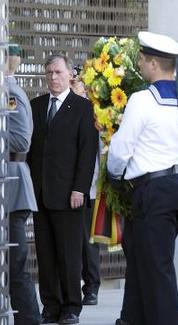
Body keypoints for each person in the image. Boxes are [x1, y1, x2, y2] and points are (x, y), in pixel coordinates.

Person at [108, 31, 178, 325]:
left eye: (142, 58)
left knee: (156, 265)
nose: (139, 62)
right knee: (142, 259)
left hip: (153, 189)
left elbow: (121, 150)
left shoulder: (143, 100)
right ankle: (131, 318)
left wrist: (113, 175)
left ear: (152, 64)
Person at [28, 53, 98, 324]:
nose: (53, 78)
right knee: (46, 255)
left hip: (69, 195)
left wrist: (80, 188)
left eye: (58, 72)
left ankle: (71, 307)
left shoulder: (83, 107)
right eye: (49, 73)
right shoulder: (37, 106)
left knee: (69, 254)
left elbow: (86, 152)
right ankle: (51, 306)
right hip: (41, 193)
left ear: (71, 75)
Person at [6, 43, 41, 325]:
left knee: (15, 264)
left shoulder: (10, 93)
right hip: (4, 187)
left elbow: (20, 141)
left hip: (13, 186)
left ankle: (30, 320)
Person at [70, 72, 102, 306]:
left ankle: (91, 287)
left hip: (88, 187)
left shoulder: (94, 113)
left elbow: (99, 152)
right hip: (64, 187)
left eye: (76, 83)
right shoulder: (63, 109)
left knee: (87, 241)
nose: (73, 87)